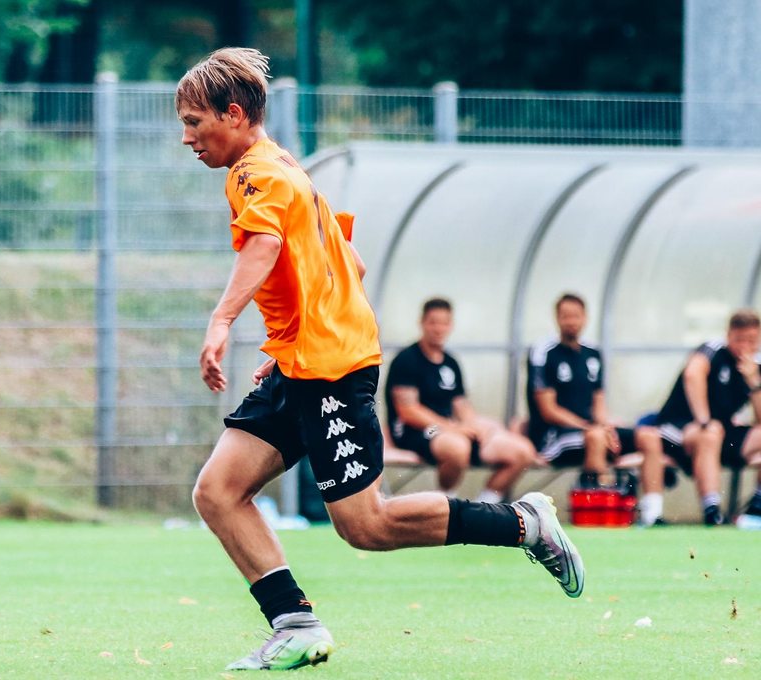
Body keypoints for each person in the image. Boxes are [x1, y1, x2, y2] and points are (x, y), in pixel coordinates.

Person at [179, 47, 585, 672]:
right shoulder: (287, 168)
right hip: (304, 362)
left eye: (194, 122)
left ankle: (522, 523)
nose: (187, 138)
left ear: (233, 114)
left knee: (367, 525)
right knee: (218, 491)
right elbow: (353, 263)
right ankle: (295, 625)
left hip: (332, 371)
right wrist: (292, 339)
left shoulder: (256, 175)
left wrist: (221, 321)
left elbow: (264, 245)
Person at [385, 297, 537, 502]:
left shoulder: (450, 362)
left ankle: (484, 507)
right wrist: (452, 427)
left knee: (522, 451)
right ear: (422, 323)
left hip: (451, 429)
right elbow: (408, 411)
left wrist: (473, 426)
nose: (438, 329)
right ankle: (446, 507)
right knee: (457, 447)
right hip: (422, 431)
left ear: (451, 325)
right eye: (433, 322)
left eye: (444, 323)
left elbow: (460, 403)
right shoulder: (406, 360)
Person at [526, 294, 664, 498]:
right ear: (557, 318)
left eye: (576, 316)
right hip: (553, 436)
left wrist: (608, 428)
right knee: (596, 437)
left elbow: (598, 402)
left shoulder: (593, 353)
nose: (571, 321)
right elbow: (548, 411)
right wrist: (589, 427)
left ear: (585, 317)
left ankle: (653, 509)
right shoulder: (543, 352)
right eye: (566, 316)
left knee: (649, 436)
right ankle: (598, 504)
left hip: (590, 430)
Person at [655, 310, 761, 527]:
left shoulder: (755, 367)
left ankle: (756, 506)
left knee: (718, 432)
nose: (744, 346)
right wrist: (704, 420)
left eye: (751, 341)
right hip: (681, 428)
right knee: (711, 433)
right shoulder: (713, 350)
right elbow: (692, 375)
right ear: (729, 335)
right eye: (739, 340)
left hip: (722, 432)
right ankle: (712, 510)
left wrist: (754, 383)